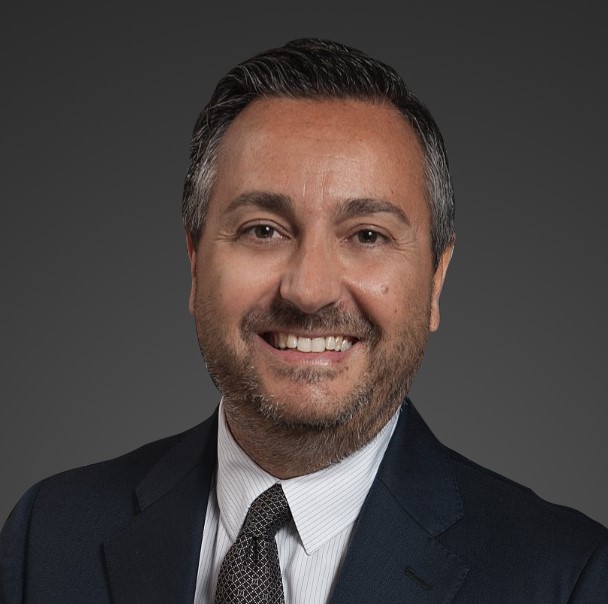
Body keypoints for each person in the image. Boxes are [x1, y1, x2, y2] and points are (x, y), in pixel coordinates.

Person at [1, 38, 606, 604]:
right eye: (263, 230)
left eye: (367, 235)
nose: (309, 291)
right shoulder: (46, 536)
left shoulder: (565, 577)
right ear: (194, 262)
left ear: (436, 280)